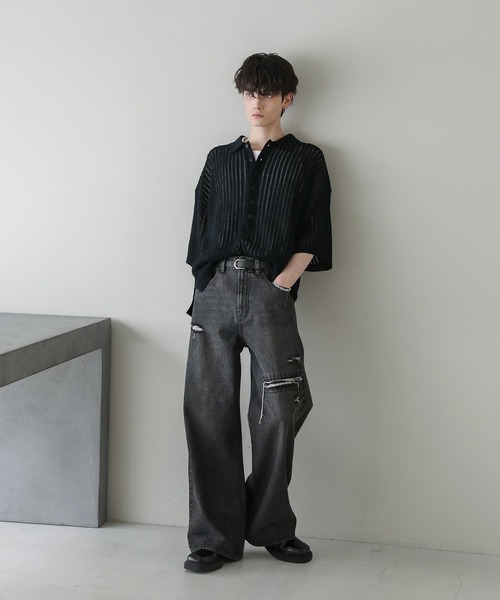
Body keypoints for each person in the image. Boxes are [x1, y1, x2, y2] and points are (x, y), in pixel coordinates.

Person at [183, 52, 332, 573]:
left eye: (267, 93)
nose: (256, 102)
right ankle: (213, 537)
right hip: (215, 292)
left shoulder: (306, 159)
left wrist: (282, 283)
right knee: (207, 412)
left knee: (279, 412)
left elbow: (315, 231)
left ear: (287, 98)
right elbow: (199, 229)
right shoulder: (218, 159)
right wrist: (204, 289)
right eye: (249, 92)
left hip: (271, 293)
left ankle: (270, 525)